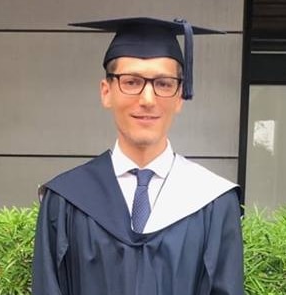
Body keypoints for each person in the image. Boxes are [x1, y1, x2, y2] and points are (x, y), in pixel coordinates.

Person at [32, 17, 244, 295]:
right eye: (131, 82)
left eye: (164, 84)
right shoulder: (64, 200)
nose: (147, 99)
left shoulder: (214, 203)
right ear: (106, 92)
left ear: (180, 95)